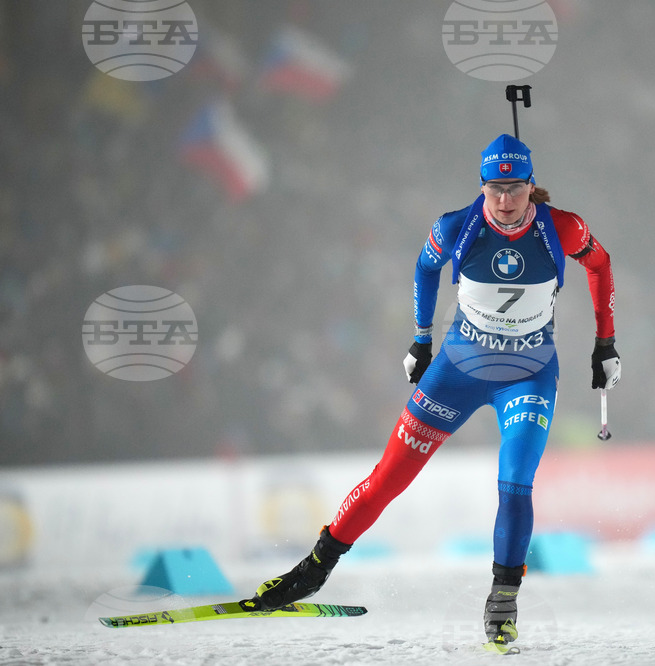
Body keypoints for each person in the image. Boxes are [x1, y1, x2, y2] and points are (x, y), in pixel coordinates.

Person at [242, 133, 621, 649]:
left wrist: (605, 342)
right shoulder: (455, 227)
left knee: (514, 483)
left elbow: (599, 265)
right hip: (457, 370)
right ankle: (313, 569)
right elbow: (425, 268)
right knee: (388, 479)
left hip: (528, 375)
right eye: (494, 189)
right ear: (482, 187)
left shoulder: (563, 228)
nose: (504, 201)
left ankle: (503, 602)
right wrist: (421, 339)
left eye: (514, 188)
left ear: (532, 187)